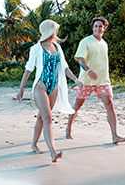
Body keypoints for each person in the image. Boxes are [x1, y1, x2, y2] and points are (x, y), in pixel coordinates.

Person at [15, 19, 79, 163]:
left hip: (54, 87)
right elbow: (28, 71)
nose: (55, 32)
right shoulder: (36, 49)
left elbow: (65, 67)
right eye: (54, 29)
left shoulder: (57, 47)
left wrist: (75, 80)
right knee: (48, 118)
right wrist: (21, 91)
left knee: (41, 117)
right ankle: (53, 152)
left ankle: (33, 144)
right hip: (41, 86)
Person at [66, 16, 125, 144]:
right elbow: (80, 59)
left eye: (100, 26)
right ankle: (68, 128)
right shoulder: (85, 41)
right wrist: (89, 71)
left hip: (103, 81)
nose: (98, 28)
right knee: (77, 106)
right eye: (95, 26)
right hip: (86, 81)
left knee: (110, 104)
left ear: (104, 28)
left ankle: (115, 135)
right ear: (92, 28)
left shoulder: (104, 43)